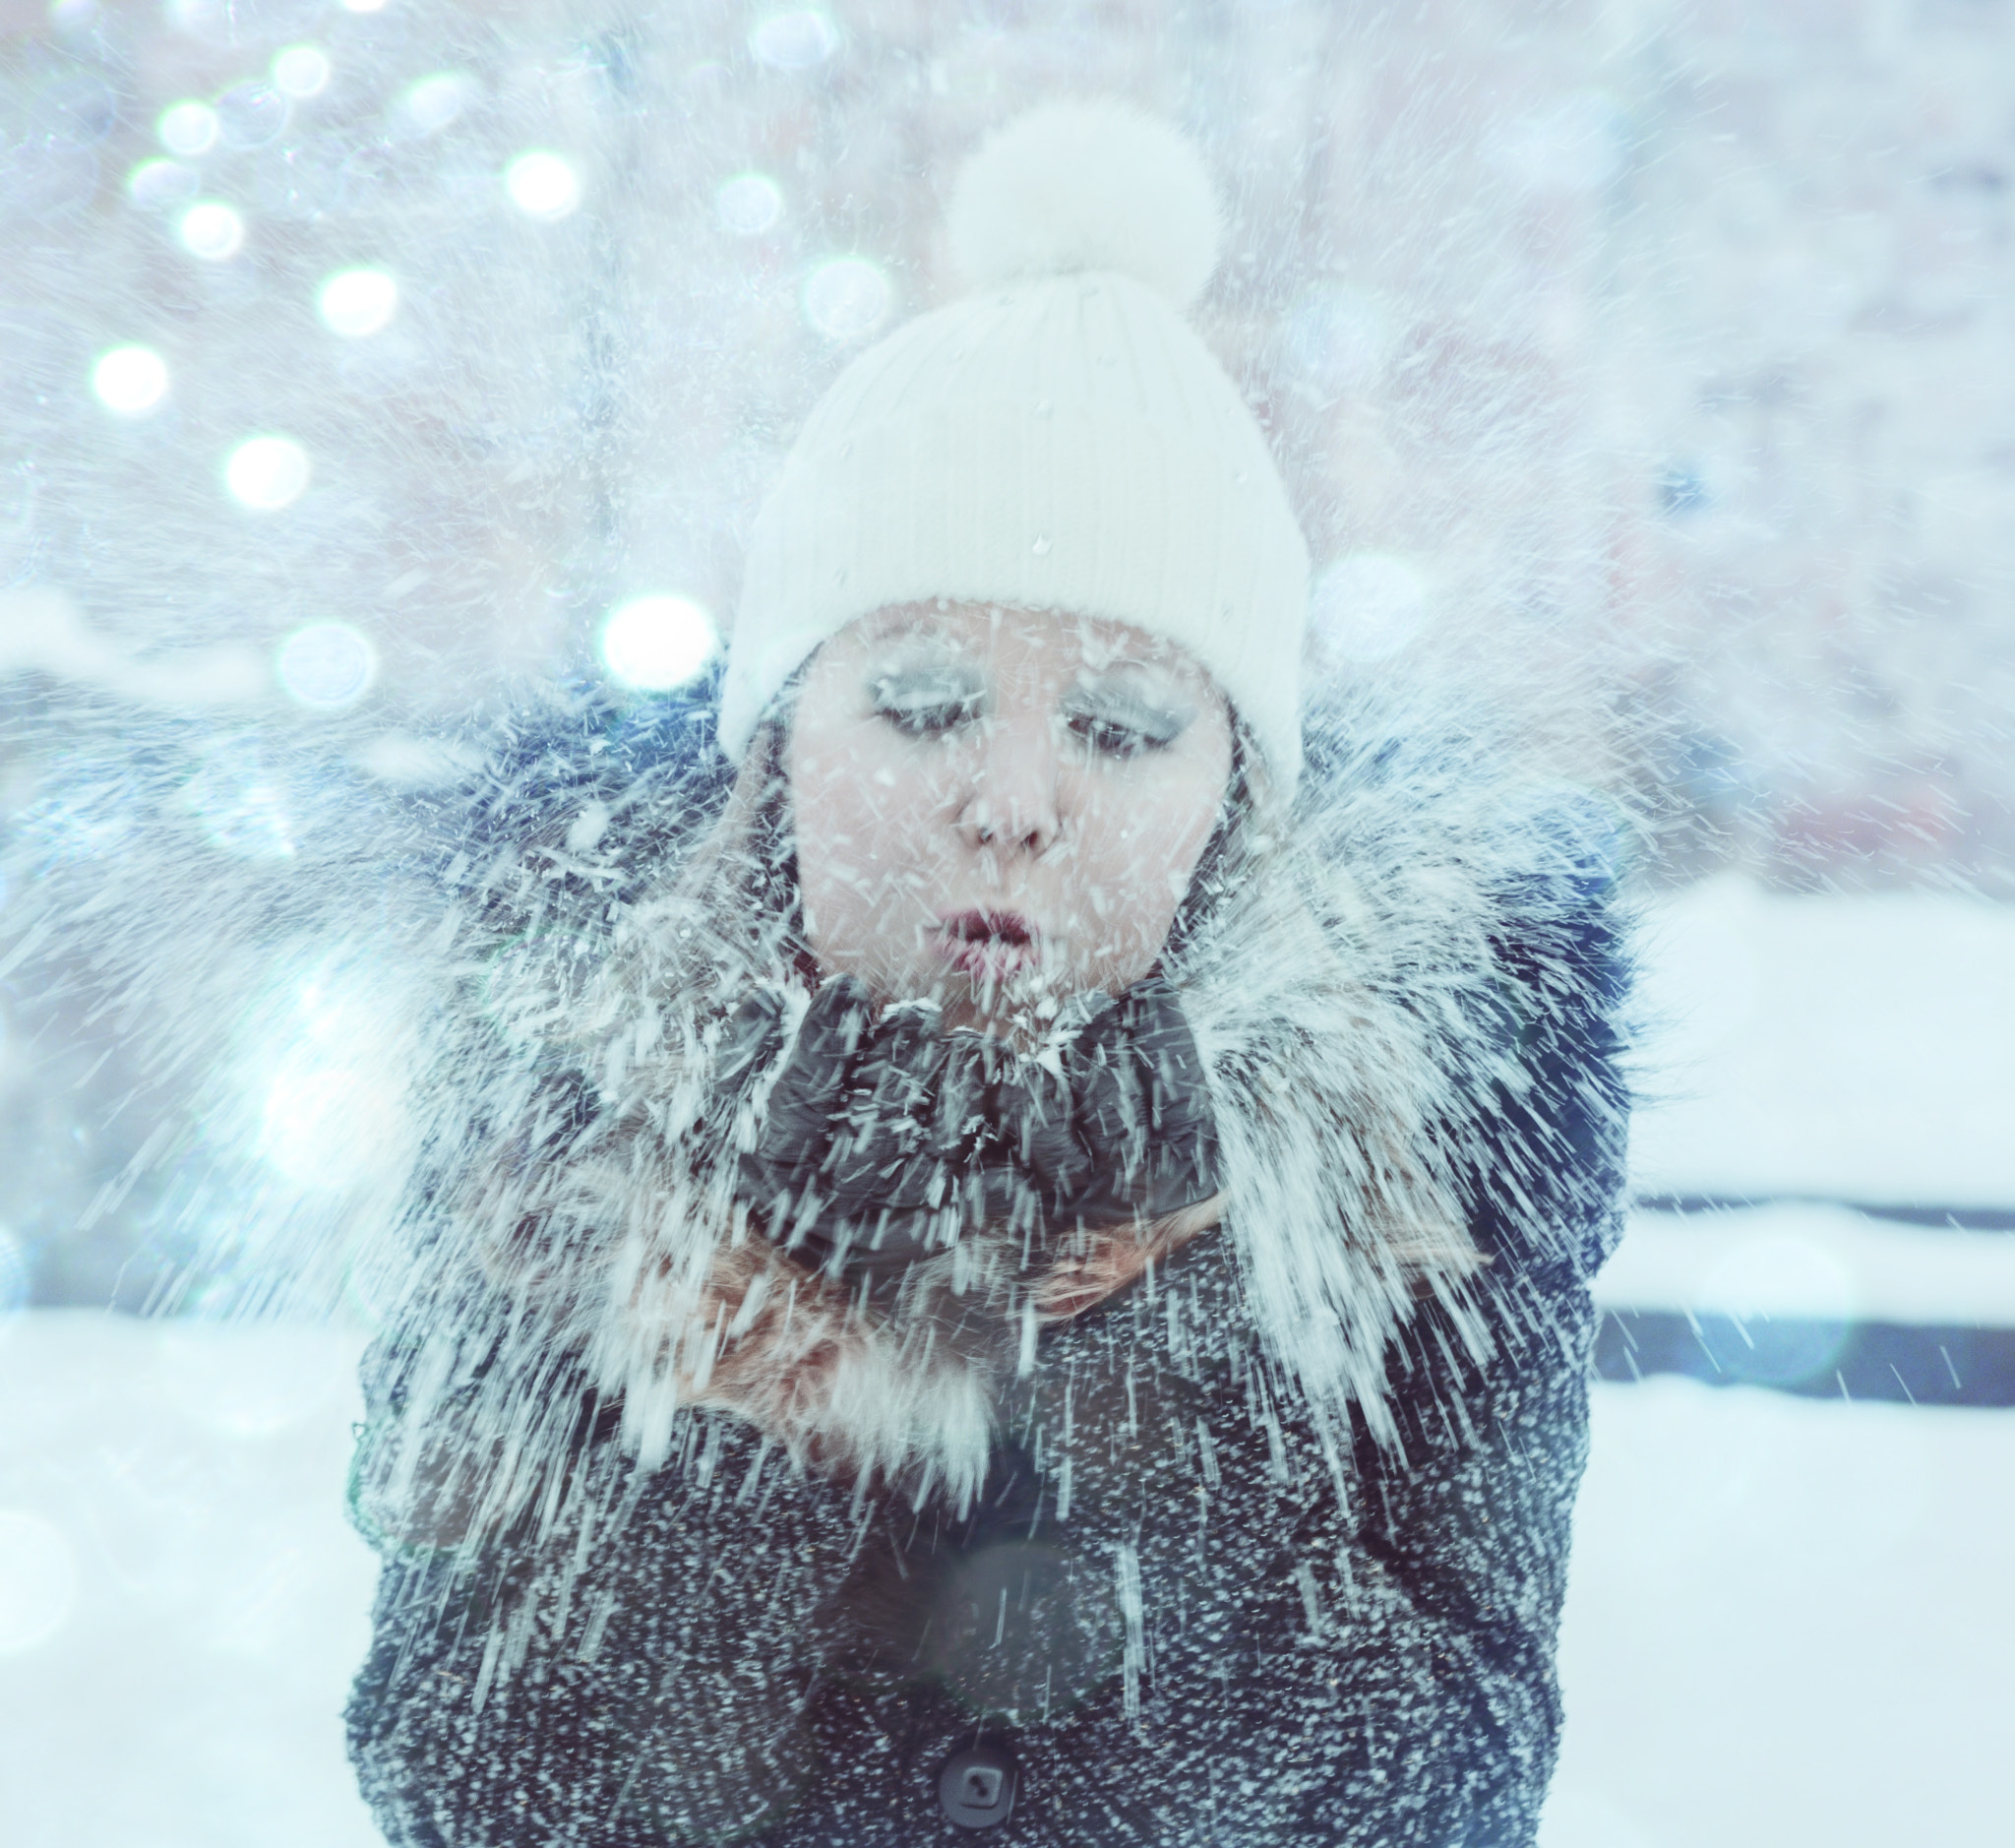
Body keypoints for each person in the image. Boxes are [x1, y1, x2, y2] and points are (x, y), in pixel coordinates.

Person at [344, 100, 1628, 1846]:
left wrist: (1157, 1371)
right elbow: (479, 1786)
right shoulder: (581, 1076)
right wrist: (771, 1350)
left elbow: (1438, 1793)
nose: (1013, 804)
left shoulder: (1418, 1133)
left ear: (1229, 801)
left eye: (1121, 726)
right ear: (783, 738)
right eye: (926, 704)